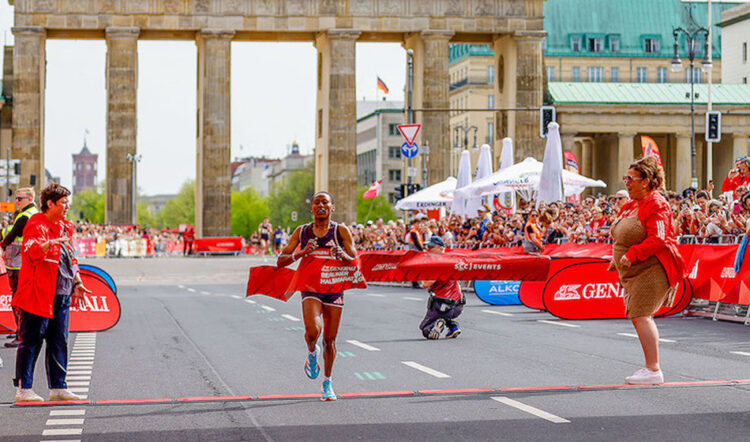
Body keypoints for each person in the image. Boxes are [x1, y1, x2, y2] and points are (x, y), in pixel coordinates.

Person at [12, 184, 92, 402]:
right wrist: (47, 244)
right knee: (31, 341)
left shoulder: (66, 227)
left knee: (59, 341)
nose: (67, 206)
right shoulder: (36, 223)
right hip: (38, 294)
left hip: (62, 294)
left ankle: (58, 387)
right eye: (64, 202)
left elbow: (70, 259)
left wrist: (77, 282)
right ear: (50, 203)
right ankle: (23, 389)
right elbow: (30, 253)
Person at [609, 156, 684, 385]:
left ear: (646, 181)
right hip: (635, 269)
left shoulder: (656, 203)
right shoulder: (632, 204)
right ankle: (651, 367)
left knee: (641, 314)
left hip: (653, 268)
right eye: (626, 178)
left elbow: (659, 238)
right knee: (639, 315)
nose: (627, 182)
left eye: (631, 179)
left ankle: (653, 370)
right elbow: (622, 235)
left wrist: (632, 254)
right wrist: (617, 258)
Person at [276, 192, 357, 402]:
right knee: (313, 331)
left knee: (330, 340)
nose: (321, 206)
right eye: (316, 203)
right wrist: (301, 253)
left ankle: (327, 383)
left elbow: (355, 261)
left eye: (325, 202)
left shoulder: (341, 231)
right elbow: (281, 260)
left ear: (332, 207)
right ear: (311, 208)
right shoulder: (302, 231)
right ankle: (312, 352)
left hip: (334, 288)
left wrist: (343, 256)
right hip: (310, 288)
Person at [2, 188, 39, 348]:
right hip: (22, 262)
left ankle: (20, 335)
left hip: (18, 263)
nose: (16, 201)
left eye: (19, 199)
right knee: (21, 300)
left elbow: (12, 235)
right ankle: (20, 331)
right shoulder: (34, 213)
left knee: (18, 301)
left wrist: (3, 242)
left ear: (29, 198)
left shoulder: (25, 216)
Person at [419, 236, 465, 339]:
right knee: (445, 316)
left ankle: (438, 324)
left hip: (442, 304)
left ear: (440, 248)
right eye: (427, 247)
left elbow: (425, 284)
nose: (428, 249)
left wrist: (420, 274)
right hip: (458, 304)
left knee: (424, 328)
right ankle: (453, 327)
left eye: (431, 247)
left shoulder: (438, 263)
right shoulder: (451, 260)